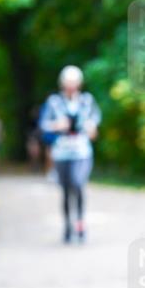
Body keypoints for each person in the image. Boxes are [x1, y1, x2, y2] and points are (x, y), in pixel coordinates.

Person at [39, 65, 101, 243]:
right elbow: (43, 124)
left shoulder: (87, 101)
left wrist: (91, 128)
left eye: (74, 82)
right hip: (62, 151)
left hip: (81, 151)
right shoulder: (54, 102)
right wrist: (57, 125)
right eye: (68, 82)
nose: (71, 85)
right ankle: (68, 225)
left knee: (78, 183)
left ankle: (80, 223)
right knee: (66, 190)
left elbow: (94, 124)